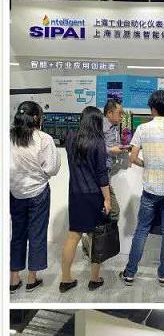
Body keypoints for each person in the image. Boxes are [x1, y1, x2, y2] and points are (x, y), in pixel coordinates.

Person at [120, 90, 164, 287]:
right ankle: (163, 274)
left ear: (153, 109)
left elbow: (132, 158)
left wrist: (147, 164)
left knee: (142, 230)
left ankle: (130, 273)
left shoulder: (143, 129)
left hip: (150, 189)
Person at [10, 101, 61, 293]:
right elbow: (52, 168)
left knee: (17, 234)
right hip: (38, 192)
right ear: (36, 118)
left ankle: (14, 279)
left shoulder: (9, 137)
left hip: (15, 192)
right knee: (37, 234)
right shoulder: (44, 139)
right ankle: (32, 279)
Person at [61, 106, 111, 293]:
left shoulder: (70, 138)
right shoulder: (98, 141)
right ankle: (94, 279)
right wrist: (107, 199)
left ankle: (65, 279)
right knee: (96, 237)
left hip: (75, 194)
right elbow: (102, 174)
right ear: (97, 121)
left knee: (73, 236)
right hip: (93, 194)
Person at [81, 98, 123, 257]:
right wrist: (110, 150)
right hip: (99, 176)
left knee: (104, 212)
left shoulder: (115, 128)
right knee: (112, 211)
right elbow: (93, 145)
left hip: (106, 174)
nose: (121, 116)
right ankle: (94, 244)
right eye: (119, 113)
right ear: (109, 113)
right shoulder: (99, 126)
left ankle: (95, 244)